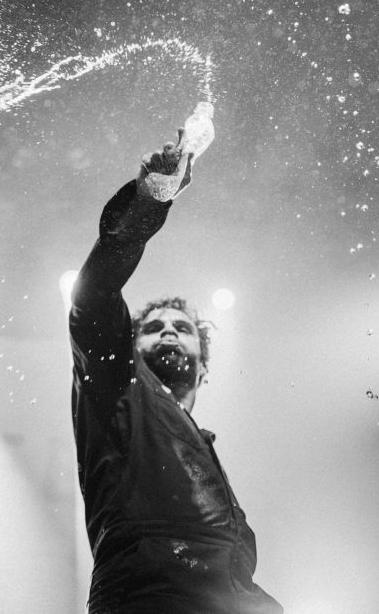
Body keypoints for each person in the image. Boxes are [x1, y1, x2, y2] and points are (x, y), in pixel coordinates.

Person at [69, 132, 282, 613]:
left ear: (204, 368)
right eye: (154, 327)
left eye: (182, 327)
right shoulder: (118, 390)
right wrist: (150, 200)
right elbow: (94, 297)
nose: (168, 332)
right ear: (132, 350)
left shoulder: (202, 447)